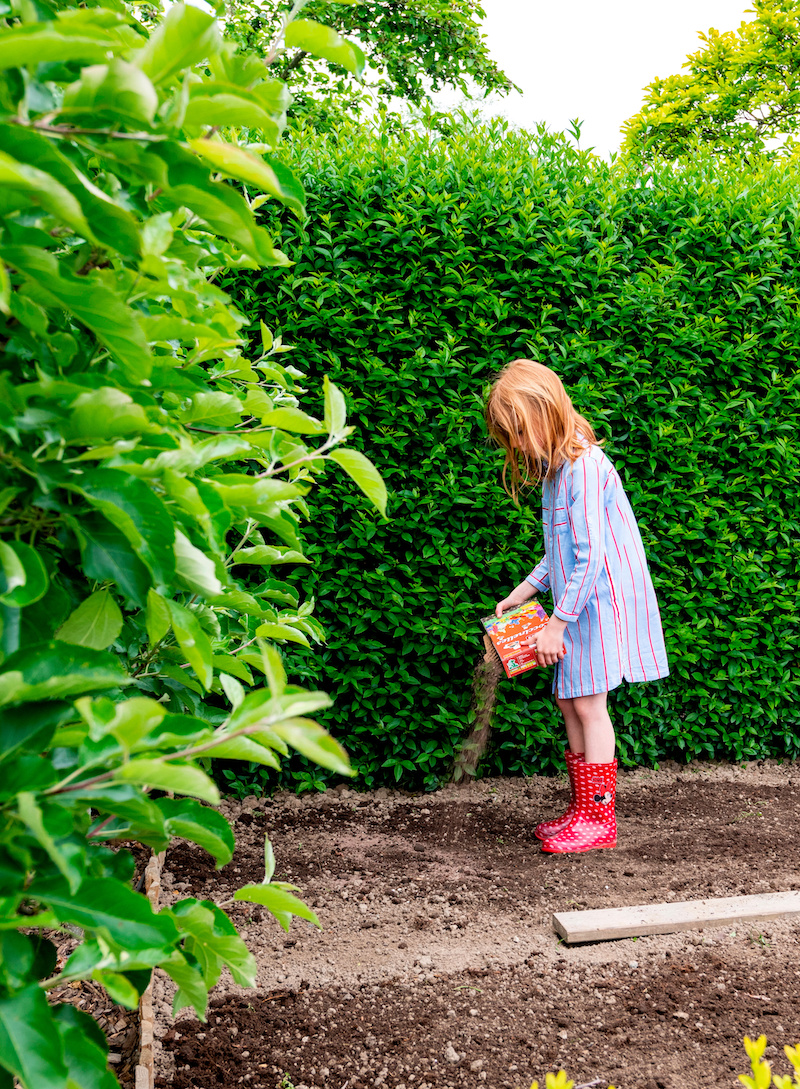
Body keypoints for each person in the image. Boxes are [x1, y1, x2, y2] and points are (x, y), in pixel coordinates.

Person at [485, 359, 669, 854]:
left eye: (519, 433)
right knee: (570, 701)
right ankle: (582, 810)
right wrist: (525, 590)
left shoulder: (585, 468)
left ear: (546, 413)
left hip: (597, 604)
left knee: (589, 704)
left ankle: (598, 819)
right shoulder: (557, 472)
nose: (517, 446)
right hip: (577, 604)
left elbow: (590, 558)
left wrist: (557, 626)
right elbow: (560, 551)